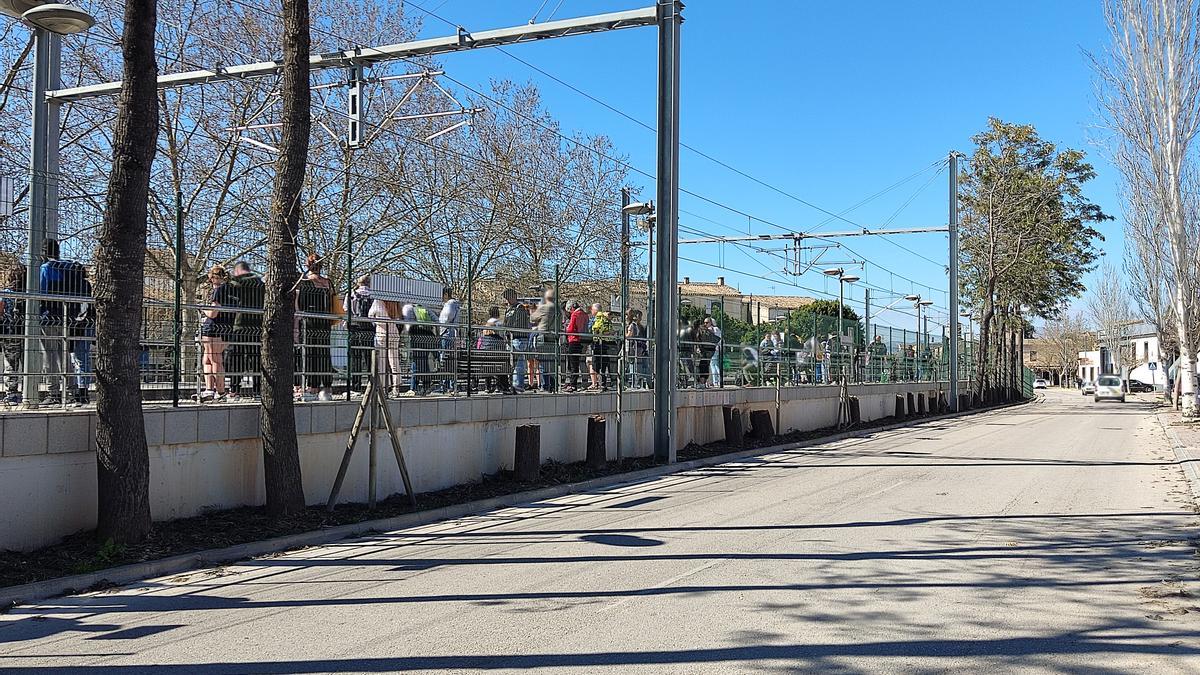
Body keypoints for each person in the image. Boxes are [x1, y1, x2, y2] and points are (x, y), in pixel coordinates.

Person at [38, 239, 92, 406]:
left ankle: (53, 392)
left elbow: (42, 291)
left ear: (42, 252)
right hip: (66, 317)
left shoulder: (45, 268)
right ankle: (70, 390)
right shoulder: (68, 267)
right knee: (64, 354)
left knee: (49, 355)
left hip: (48, 318)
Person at [295, 254, 334, 401]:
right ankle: (327, 386)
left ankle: (312, 386)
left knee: (310, 353)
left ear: (308, 265)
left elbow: (300, 305)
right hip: (325, 322)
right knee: (324, 353)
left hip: (309, 322)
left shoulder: (304, 282)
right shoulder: (328, 282)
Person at [198, 265, 237, 402]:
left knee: (214, 359)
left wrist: (203, 309)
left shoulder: (219, 290)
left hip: (213, 328)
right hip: (226, 328)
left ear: (213, 277)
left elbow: (213, 312)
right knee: (208, 359)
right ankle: (209, 390)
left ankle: (219, 391)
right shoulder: (233, 291)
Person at [227, 261, 264, 400]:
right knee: (256, 359)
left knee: (237, 358)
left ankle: (235, 390)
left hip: (240, 324)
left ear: (236, 271)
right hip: (258, 326)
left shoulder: (236, 283)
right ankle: (258, 391)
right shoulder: (261, 284)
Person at [342, 274, 375, 394]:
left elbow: (346, 310)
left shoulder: (351, 294)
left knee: (355, 358)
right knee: (369, 358)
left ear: (358, 282)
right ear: (369, 283)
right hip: (369, 329)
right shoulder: (373, 295)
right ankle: (371, 385)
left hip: (354, 327)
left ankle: (355, 387)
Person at [0, 264, 25, 405]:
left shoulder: (5, 293)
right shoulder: (28, 293)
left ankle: (12, 394)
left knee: (10, 364)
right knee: (27, 363)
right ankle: (28, 392)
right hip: (26, 332)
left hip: (9, 332)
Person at [371, 299, 404, 397]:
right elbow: (399, 316)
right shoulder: (395, 301)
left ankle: (384, 387)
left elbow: (370, 314)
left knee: (382, 361)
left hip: (382, 332)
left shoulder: (378, 301)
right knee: (394, 361)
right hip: (394, 332)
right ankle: (396, 386)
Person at [530, 289, 558, 392]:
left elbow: (532, 318)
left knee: (543, 363)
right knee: (552, 363)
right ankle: (554, 385)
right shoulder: (558, 309)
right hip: (554, 339)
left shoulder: (544, 307)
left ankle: (545, 386)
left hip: (543, 338)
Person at [405, 303, 437, 396]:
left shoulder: (410, 309)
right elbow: (436, 320)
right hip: (428, 337)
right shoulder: (426, 308)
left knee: (416, 362)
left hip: (417, 337)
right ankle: (426, 385)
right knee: (424, 362)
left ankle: (413, 388)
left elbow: (408, 325)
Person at [503, 289, 531, 392]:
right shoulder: (508, 309)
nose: (508, 300)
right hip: (510, 339)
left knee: (519, 363)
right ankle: (512, 384)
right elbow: (505, 323)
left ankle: (518, 385)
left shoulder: (520, 308)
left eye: (509, 297)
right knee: (511, 363)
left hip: (519, 338)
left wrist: (510, 330)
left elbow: (519, 323)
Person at [437, 286, 460, 394]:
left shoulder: (450, 304)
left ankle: (445, 385)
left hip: (447, 332)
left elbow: (446, 318)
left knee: (444, 359)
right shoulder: (455, 304)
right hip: (451, 332)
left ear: (445, 294)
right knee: (450, 359)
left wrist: (440, 327)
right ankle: (450, 385)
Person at [589, 303, 616, 390]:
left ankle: (597, 384)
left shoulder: (598, 318)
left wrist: (594, 333)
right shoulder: (606, 319)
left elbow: (596, 329)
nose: (591, 311)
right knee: (604, 365)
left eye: (592, 310)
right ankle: (603, 384)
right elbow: (610, 330)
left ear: (595, 310)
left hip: (598, 343)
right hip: (606, 344)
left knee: (596, 364)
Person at [563, 300, 587, 392]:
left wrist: (566, 329)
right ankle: (575, 383)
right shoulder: (584, 314)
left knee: (573, 364)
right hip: (582, 340)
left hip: (573, 340)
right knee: (578, 363)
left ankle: (573, 385)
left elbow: (571, 328)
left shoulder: (575, 315)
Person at [625, 309, 648, 389]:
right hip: (635, 347)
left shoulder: (638, 326)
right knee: (634, 364)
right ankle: (634, 381)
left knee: (636, 364)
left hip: (637, 348)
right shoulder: (634, 325)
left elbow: (629, 335)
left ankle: (636, 382)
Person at [705, 317, 723, 387]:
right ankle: (719, 380)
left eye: (707, 323)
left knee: (713, 365)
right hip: (718, 348)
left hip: (712, 349)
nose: (705, 324)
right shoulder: (717, 329)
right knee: (716, 365)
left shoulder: (710, 329)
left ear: (711, 323)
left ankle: (716, 381)